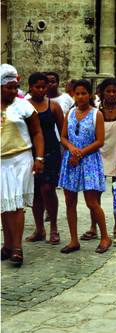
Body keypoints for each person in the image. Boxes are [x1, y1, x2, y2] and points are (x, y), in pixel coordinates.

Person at [58, 79, 111, 254]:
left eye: (83, 93)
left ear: (90, 95)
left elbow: (100, 141)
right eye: (77, 93)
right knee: (70, 201)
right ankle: (74, 240)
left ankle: (105, 237)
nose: (80, 97)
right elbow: (64, 137)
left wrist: (79, 153)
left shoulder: (97, 114)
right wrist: (72, 149)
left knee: (91, 202)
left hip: (88, 161)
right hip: (71, 161)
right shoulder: (70, 113)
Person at [1, 64, 45, 264]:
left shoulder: (24, 105)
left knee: (16, 202)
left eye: (16, 86)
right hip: (1, 162)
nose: (14, 91)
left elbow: (37, 133)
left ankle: (17, 247)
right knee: (4, 204)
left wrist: (39, 158)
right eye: (9, 87)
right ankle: (7, 245)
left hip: (21, 159)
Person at [81, 78, 116, 241]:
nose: (112, 94)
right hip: (97, 154)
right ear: (101, 92)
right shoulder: (94, 110)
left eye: (115, 91)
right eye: (108, 91)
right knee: (95, 193)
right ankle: (94, 227)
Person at [25, 72, 64, 245]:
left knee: (48, 188)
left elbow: (64, 132)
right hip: (29, 151)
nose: (42, 90)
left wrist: (66, 153)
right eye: (38, 87)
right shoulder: (24, 106)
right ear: (30, 87)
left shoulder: (53, 105)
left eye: (44, 86)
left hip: (51, 150)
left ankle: (54, 227)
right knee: (35, 191)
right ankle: (39, 229)